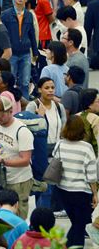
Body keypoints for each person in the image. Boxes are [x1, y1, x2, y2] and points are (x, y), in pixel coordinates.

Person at [0, 96, 34, 219]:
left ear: (11, 112)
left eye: (1, 117)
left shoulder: (22, 131)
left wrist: (2, 161)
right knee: (1, 217)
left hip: (19, 179)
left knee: (18, 216)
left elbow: (25, 160)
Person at [53, 115, 98, 247]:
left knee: (77, 224)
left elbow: (56, 164)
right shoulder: (86, 147)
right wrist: (95, 193)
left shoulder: (60, 144)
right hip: (81, 192)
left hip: (62, 190)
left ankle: (65, 245)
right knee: (79, 225)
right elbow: (91, 175)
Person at [0, 0, 38, 99]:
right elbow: (3, 34)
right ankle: (11, 102)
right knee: (10, 81)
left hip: (26, 53)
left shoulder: (29, 15)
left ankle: (24, 106)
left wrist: (35, 52)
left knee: (25, 82)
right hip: (12, 52)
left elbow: (32, 34)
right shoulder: (6, 14)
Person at [26, 78, 65, 149]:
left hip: (57, 148)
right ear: (39, 90)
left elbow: (64, 128)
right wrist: (40, 117)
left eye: (52, 88)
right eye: (47, 88)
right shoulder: (33, 106)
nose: (50, 90)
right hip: (40, 148)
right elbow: (28, 128)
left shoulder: (59, 106)